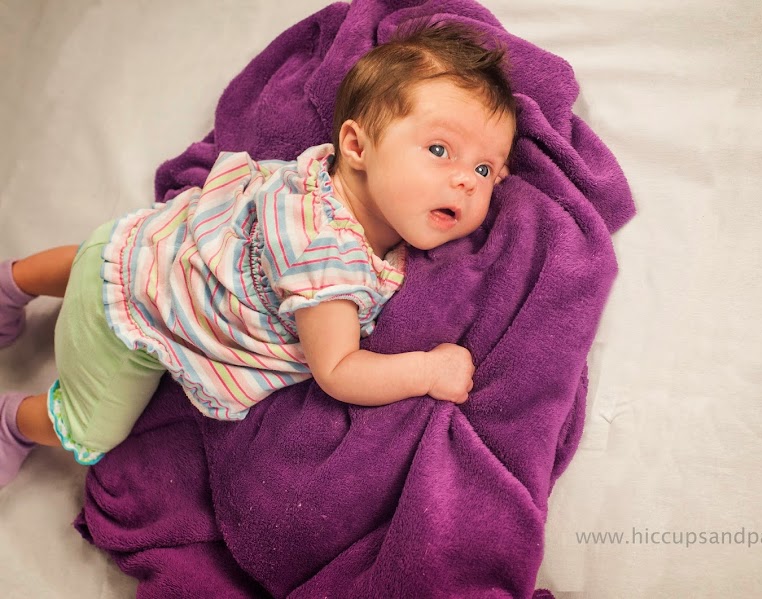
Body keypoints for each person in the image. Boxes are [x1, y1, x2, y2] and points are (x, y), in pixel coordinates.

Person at [0, 22, 517, 486]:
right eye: (439, 150)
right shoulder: (327, 259)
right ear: (358, 147)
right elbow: (338, 369)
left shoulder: (320, 178)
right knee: (93, 428)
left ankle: (12, 282)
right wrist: (427, 371)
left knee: (97, 258)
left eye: (485, 170)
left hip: (137, 243)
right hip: (133, 317)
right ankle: (14, 423)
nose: (466, 182)